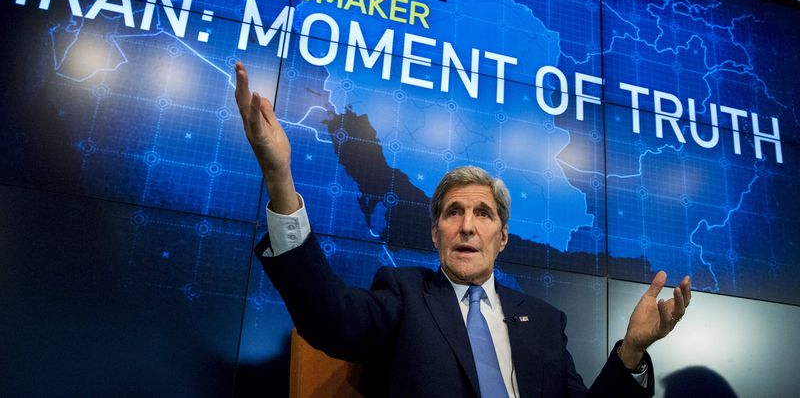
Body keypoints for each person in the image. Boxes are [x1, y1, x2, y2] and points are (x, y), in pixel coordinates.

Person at [234, 62, 691, 397]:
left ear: (503, 238)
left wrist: (631, 350)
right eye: (453, 213)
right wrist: (280, 179)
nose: (468, 227)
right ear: (435, 234)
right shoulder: (404, 295)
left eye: (483, 215)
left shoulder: (545, 322)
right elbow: (330, 319)